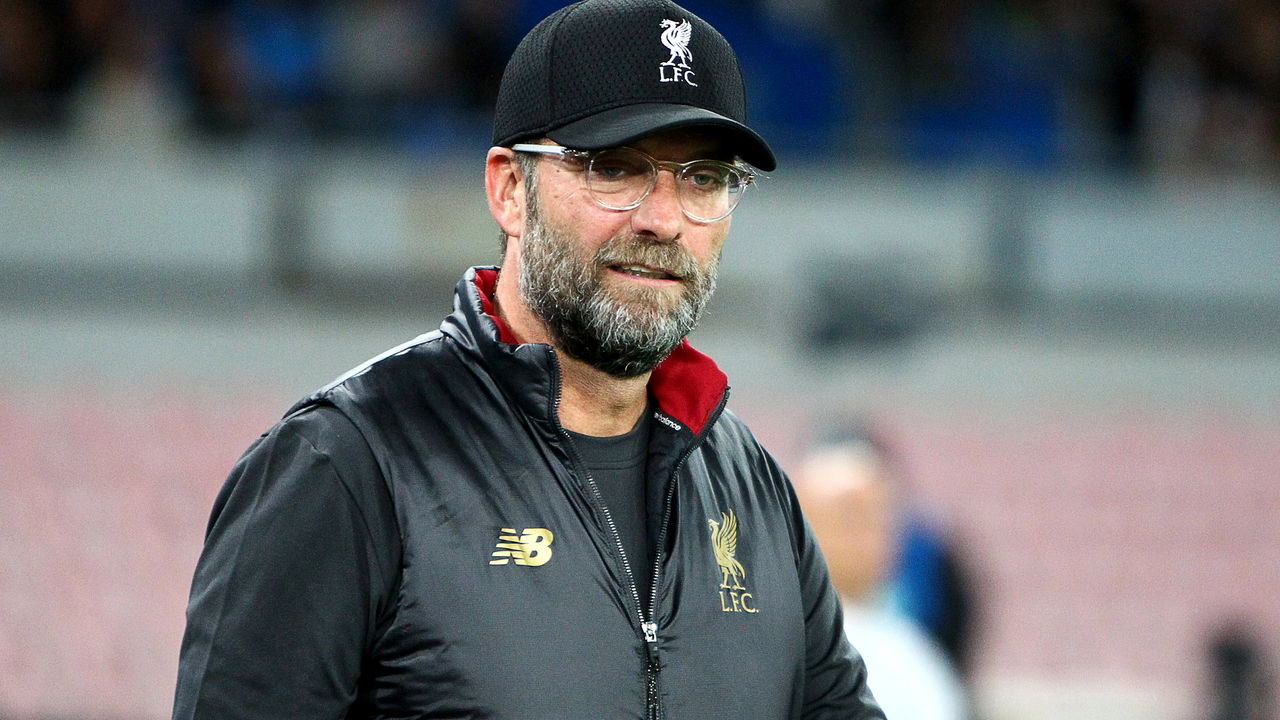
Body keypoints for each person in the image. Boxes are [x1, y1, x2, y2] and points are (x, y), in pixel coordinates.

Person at [171, 1, 884, 718]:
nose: (665, 220)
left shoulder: (754, 493)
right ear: (510, 189)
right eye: (615, 168)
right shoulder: (346, 464)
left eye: (703, 178)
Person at [794, 426, 971, 720]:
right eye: (849, 517)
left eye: (879, 515)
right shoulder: (782, 642)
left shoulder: (909, 653)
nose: (867, 536)